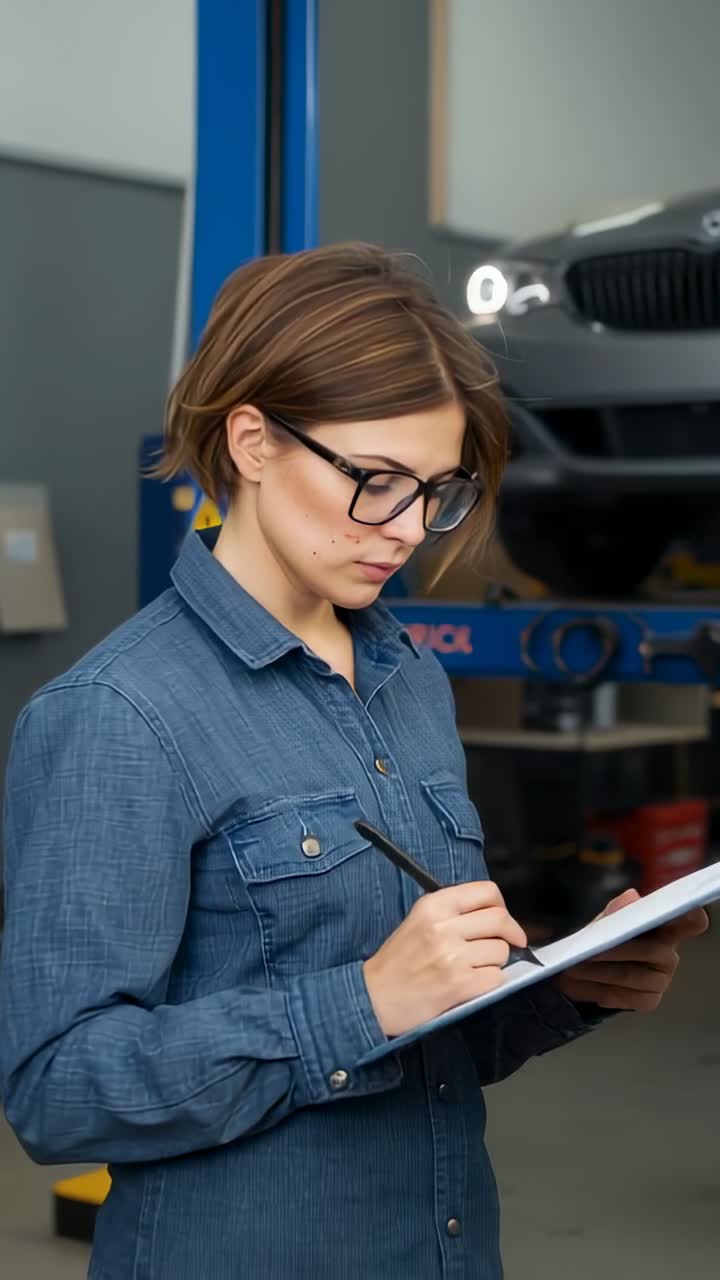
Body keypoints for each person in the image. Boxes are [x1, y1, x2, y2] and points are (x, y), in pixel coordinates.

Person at [0, 243, 707, 1280]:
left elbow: (422, 1046)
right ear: (250, 439)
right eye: (374, 482)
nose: (410, 529)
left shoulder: (409, 679)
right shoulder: (119, 714)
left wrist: (562, 986)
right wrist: (363, 998)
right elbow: (57, 1088)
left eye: (439, 491)